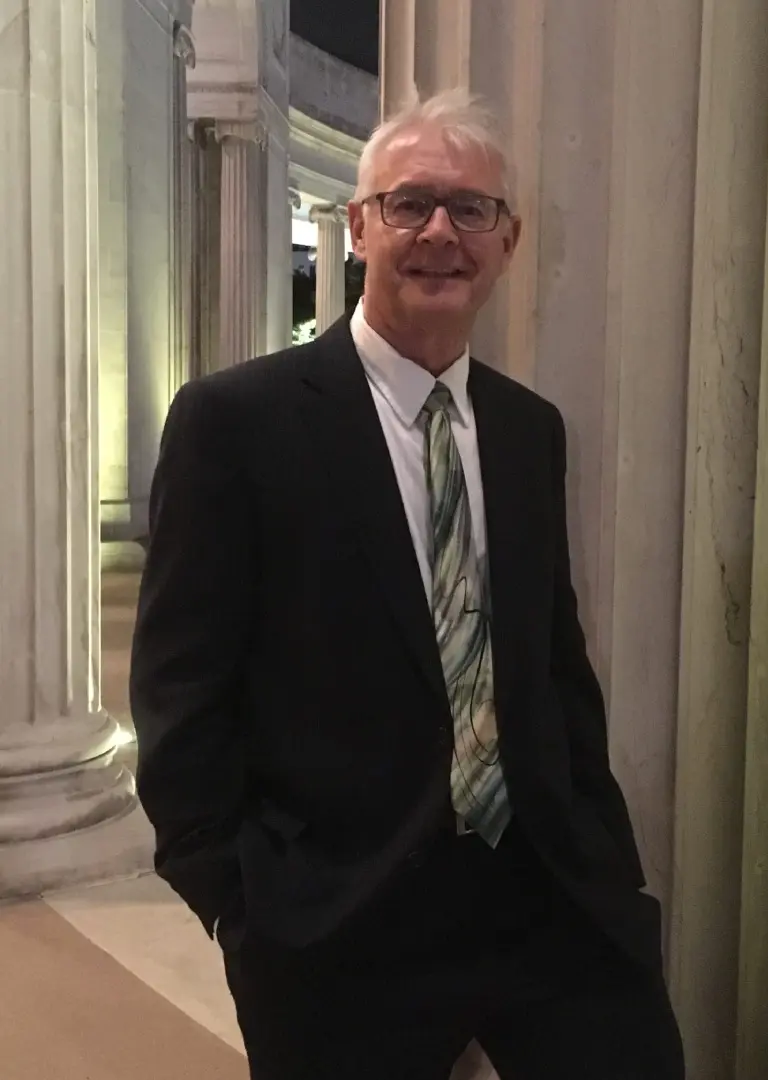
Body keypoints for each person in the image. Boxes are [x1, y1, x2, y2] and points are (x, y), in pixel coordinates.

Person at [130, 89, 684, 1080]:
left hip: (544, 893)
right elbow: (182, 694)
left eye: (472, 210)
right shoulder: (236, 422)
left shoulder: (527, 430)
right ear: (356, 226)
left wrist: (604, 847)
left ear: (507, 243)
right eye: (409, 204)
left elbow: (555, 663)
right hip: (341, 921)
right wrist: (241, 902)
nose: (441, 232)